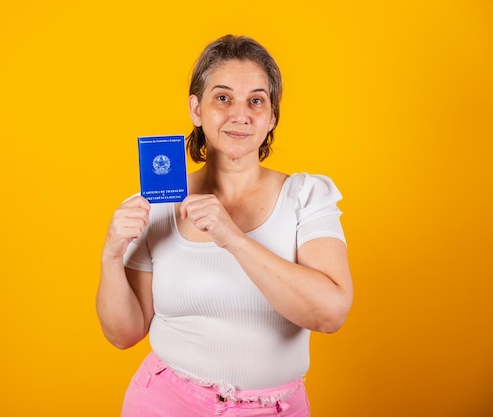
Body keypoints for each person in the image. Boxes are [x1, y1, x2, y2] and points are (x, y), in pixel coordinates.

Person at [96, 34, 353, 417]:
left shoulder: (307, 196)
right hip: (164, 404)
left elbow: (330, 314)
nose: (240, 114)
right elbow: (124, 334)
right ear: (196, 110)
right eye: (222, 97)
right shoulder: (158, 203)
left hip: (276, 409)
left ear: (272, 118)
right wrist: (111, 256)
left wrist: (232, 237)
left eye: (256, 100)